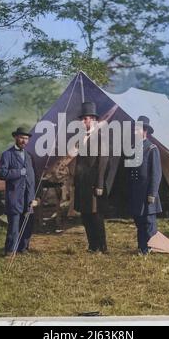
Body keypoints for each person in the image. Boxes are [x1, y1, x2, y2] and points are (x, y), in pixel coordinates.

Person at [74, 102, 109, 253]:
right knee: (85, 215)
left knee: (96, 216)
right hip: (82, 184)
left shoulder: (100, 138)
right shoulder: (80, 138)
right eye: (82, 119)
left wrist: (100, 185)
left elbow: (102, 163)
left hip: (94, 184)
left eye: (85, 118)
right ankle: (92, 246)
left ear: (94, 120)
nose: (83, 122)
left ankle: (102, 246)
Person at [0, 127, 39, 256]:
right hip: (14, 197)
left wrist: (34, 198)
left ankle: (23, 248)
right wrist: (18, 173)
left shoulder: (29, 156)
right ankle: (10, 250)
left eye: (26, 138)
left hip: (28, 198)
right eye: (21, 138)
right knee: (14, 227)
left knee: (27, 225)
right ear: (16, 138)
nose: (24, 141)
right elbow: (2, 173)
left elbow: (33, 178)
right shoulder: (7, 154)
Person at [128, 116, 162, 255]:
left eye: (137, 129)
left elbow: (156, 173)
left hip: (147, 192)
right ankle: (142, 247)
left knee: (148, 222)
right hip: (136, 192)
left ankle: (150, 247)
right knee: (139, 221)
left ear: (145, 131)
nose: (134, 131)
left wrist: (152, 193)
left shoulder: (152, 148)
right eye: (134, 128)